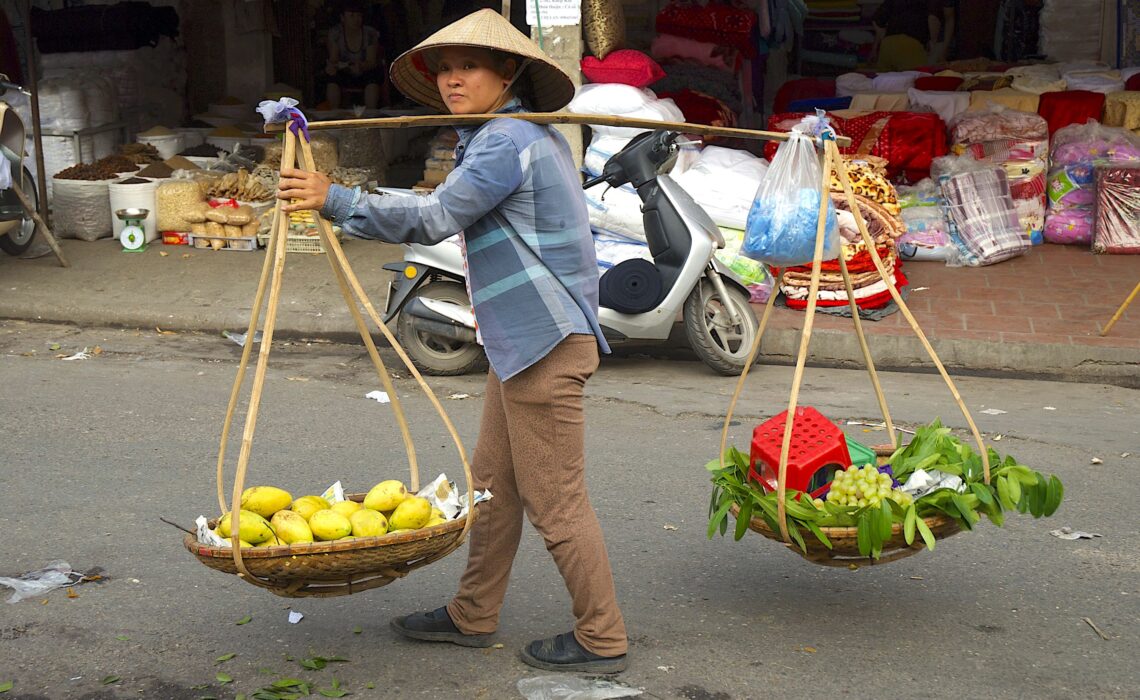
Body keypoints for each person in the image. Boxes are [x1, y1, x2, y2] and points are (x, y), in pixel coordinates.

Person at [278, 8, 630, 675]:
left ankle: (602, 637)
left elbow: (437, 215)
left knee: (556, 500)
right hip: (522, 340)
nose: (451, 79)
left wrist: (336, 199)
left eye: (468, 66)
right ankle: (473, 612)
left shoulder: (507, 140)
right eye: (443, 68)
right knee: (494, 485)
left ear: (508, 72)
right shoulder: (511, 135)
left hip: (545, 341)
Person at [323, 0, 385, 109]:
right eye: (351, 16)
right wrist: (332, 67)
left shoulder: (369, 33)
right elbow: (334, 58)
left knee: (373, 78)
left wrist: (361, 66)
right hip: (345, 71)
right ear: (343, 18)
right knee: (332, 80)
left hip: (365, 70)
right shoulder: (336, 33)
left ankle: (371, 113)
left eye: (359, 16)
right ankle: (334, 113)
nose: (356, 20)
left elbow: (371, 61)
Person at [870, 0, 947, 70]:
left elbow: (877, 20)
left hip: (888, 44)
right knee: (913, 80)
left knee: (884, 82)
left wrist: (884, 38)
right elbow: (933, 18)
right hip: (912, 44)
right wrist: (933, 43)